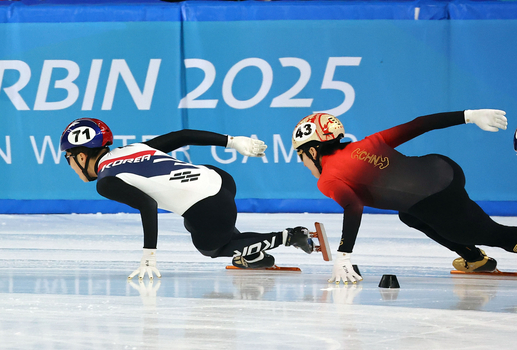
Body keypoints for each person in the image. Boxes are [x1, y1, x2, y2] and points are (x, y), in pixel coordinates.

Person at [61, 118, 315, 280]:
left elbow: (147, 204)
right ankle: (252, 255)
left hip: (208, 203)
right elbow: (183, 135)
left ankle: (290, 236)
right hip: (220, 179)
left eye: (68, 158)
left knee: (211, 248)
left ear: (81, 157)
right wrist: (232, 142)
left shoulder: (106, 180)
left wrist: (149, 254)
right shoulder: (133, 148)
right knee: (199, 224)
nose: (70, 165)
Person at [291, 110, 515, 285]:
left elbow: (353, 206)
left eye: (301, 156)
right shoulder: (368, 143)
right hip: (443, 167)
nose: (304, 164)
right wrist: (469, 115)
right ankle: (474, 258)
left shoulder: (328, 179)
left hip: (434, 199)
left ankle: (488, 249)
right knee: (409, 216)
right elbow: (419, 124)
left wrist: (343, 255)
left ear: (313, 152)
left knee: (492, 234)